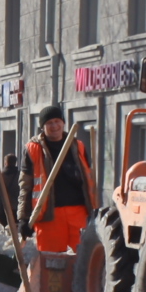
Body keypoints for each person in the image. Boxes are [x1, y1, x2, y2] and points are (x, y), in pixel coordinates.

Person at [19, 104, 94, 254]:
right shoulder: (33, 149)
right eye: (49, 123)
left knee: (84, 259)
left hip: (79, 212)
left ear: (63, 122)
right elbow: (25, 186)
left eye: (57, 121)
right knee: (49, 261)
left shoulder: (78, 146)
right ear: (42, 127)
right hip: (48, 214)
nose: (54, 126)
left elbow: (89, 180)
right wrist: (23, 218)